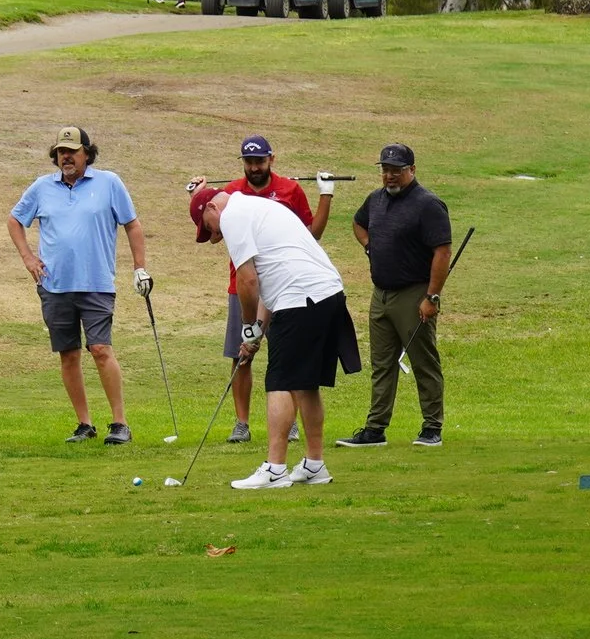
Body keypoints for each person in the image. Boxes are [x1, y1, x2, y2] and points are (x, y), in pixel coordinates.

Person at [189, 184, 359, 489]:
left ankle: (275, 469)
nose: (215, 236)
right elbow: (269, 284)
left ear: (211, 209)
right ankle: (314, 464)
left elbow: (248, 280)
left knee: (279, 381)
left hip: (301, 298)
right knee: (305, 385)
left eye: (209, 229)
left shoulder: (233, 216)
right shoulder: (260, 209)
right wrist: (257, 333)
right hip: (328, 295)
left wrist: (247, 328)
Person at [9, 127, 150, 444]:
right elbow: (15, 220)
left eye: (72, 151)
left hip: (97, 283)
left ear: (88, 152)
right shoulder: (42, 187)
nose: (66, 157)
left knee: (100, 349)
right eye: (61, 152)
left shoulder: (109, 183)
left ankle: (120, 424)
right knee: (68, 354)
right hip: (54, 285)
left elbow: (132, 224)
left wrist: (140, 267)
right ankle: (84, 424)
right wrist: (28, 258)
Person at [189, 135, 324, 445]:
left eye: (259, 161)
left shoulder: (290, 190)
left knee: (284, 354)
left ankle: (288, 422)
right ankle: (242, 423)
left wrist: (324, 196)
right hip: (243, 287)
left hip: (281, 284)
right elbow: (210, 216)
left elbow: (310, 234)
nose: (254, 167)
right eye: (248, 162)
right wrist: (199, 192)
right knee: (242, 358)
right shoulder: (232, 193)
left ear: (271, 160)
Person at [336, 142, 454, 448]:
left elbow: (442, 252)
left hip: (414, 293)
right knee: (382, 364)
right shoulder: (375, 200)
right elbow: (358, 223)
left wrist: (432, 297)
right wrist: (368, 246)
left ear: (412, 170)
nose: (390, 176)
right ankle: (375, 428)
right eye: (386, 170)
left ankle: (432, 427)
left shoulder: (428, 204)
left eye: (397, 171)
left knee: (423, 361)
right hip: (381, 295)